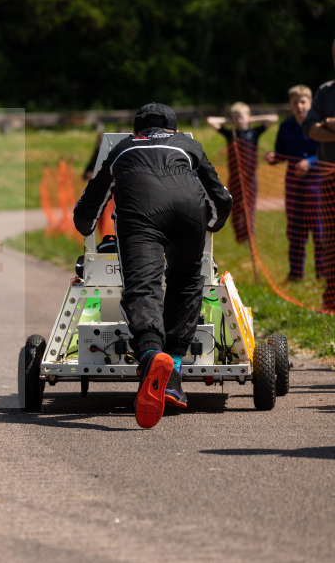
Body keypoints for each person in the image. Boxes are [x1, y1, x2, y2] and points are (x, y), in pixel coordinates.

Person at [74, 103, 232, 428]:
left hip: (141, 211)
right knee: (187, 281)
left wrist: (86, 225)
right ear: (174, 130)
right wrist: (211, 223)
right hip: (191, 209)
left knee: (143, 286)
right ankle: (172, 370)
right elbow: (222, 198)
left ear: (136, 132)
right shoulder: (188, 145)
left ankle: (150, 354)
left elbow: (91, 201)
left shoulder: (123, 148)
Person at [264, 85, 320, 282]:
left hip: (317, 186)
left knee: (319, 231)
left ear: (310, 103)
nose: (299, 106)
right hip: (294, 185)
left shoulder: (318, 126)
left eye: (303, 102)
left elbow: (328, 154)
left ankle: (322, 275)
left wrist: (311, 162)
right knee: (295, 231)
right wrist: (274, 157)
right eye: (295, 102)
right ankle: (296, 274)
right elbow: (281, 154)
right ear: (290, 104)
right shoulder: (286, 126)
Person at [207, 103, 278, 242]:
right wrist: (230, 121)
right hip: (235, 179)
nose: (239, 119)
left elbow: (273, 118)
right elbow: (211, 121)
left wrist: (251, 119)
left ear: (248, 117)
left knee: (249, 209)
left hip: (251, 179)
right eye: (236, 117)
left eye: (242, 116)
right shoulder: (231, 134)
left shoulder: (254, 133)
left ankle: (248, 235)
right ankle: (239, 235)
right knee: (235, 207)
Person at [304, 38, 335, 312]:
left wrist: (330, 122)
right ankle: (331, 295)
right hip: (329, 178)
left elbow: (320, 125)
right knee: (331, 240)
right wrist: (324, 124)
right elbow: (310, 129)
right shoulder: (326, 91)